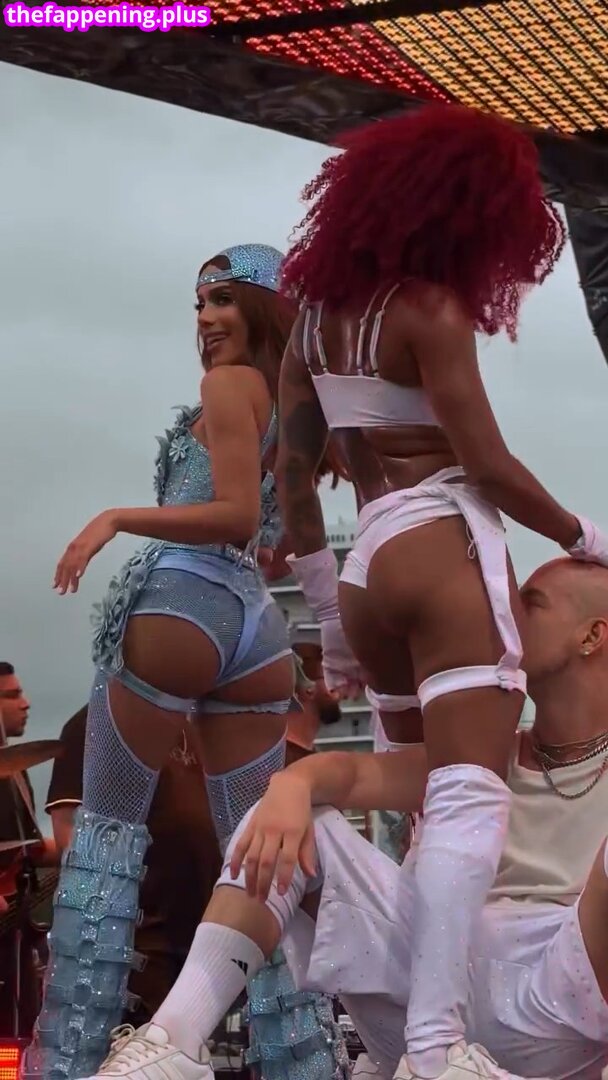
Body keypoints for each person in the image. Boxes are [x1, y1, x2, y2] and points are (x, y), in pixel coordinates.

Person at [271, 104, 608, 1079]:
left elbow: (293, 483)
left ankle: (188, 1028)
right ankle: (431, 1043)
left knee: (415, 787)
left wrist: (328, 616)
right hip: (439, 540)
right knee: (463, 794)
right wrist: (581, 535)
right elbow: (488, 466)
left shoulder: (313, 324)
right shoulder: (430, 311)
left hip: (365, 565)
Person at [80, 557, 608, 1080]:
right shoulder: (480, 757)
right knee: (296, 819)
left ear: (592, 636)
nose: (505, 613)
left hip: (554, 998)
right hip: (430, 988)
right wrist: (294, 783)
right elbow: (352, 776)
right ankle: (174, 1041)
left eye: (530, 603)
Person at [24, 245, 300, 1080]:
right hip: (258, 633)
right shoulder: (291, 405)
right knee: (257, 868)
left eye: (223, 299)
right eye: (197, 304)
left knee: (103, 849)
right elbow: (274, 533)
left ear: (261, 309)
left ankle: (70, 1065)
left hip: (181, 603)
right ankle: (303, 1063)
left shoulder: (228, 387)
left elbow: (234, 513)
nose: (206, 318)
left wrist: (115, 517)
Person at [45, 705, 222, 1026]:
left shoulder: (191, 726)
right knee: (139, 1043)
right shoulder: (94, 722)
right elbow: (69, 831)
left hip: (197, 932)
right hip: (140, 937)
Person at [0, 663, 55, 1037]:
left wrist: (87, 847)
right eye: (12, 695)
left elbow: (29, 852)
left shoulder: (15, 771)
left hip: (13, 931)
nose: (26, 703)